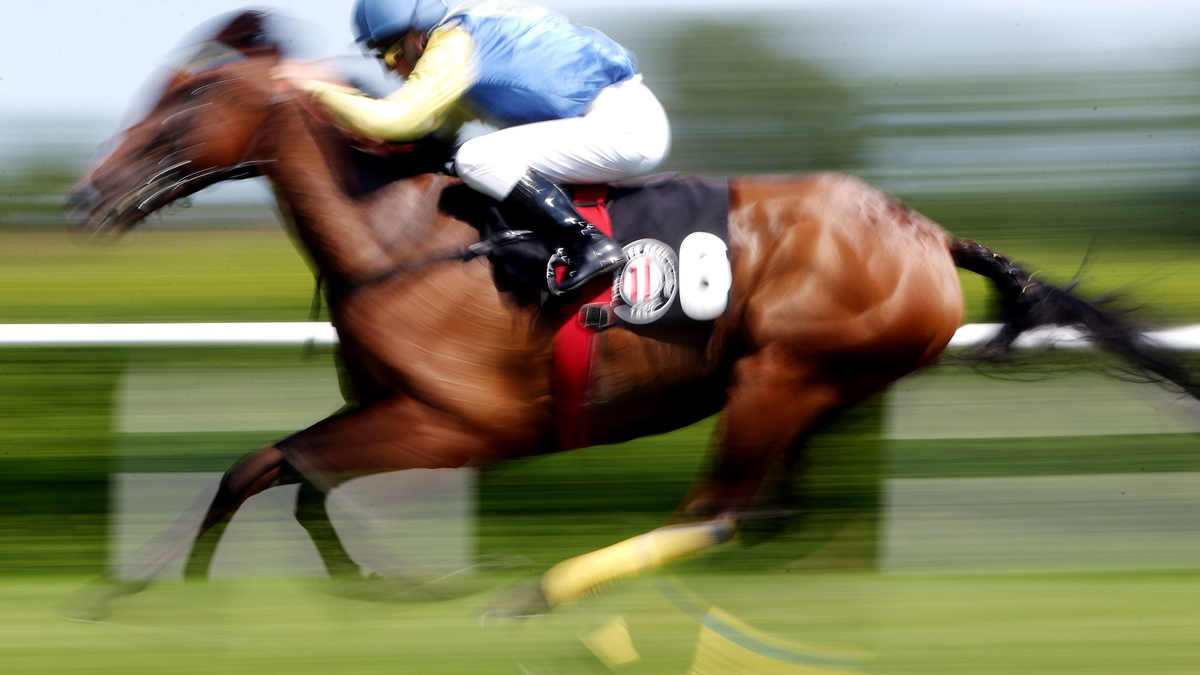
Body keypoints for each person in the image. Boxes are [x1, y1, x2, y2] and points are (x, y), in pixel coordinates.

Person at [275, 0, 671, 295]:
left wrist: (312, 88)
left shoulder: (452, 45)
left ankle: (589, 242)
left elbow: (397, 119)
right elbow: (432, 132)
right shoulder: (463, 41)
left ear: (418, 36)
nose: (389, 68)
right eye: (379, 58)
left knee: (478, 157)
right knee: (464, 159)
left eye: (391, 53)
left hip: (623, 127)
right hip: (613, 119)